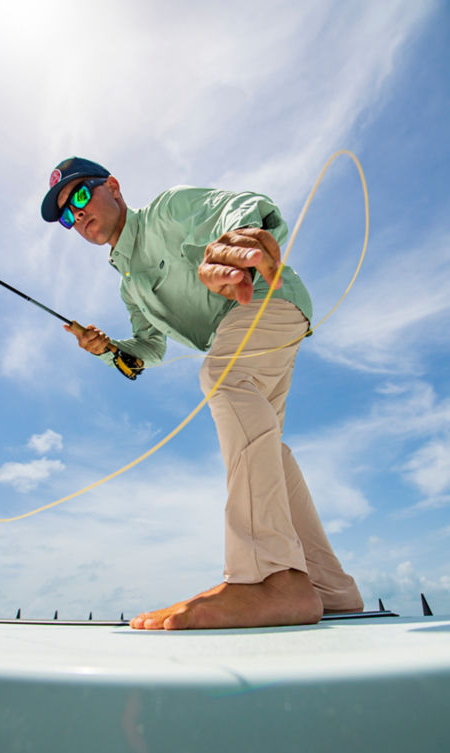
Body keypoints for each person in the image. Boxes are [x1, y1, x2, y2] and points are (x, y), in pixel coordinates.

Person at [41, 156, 363, 630]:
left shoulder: (167, 211)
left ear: (112, 186)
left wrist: (235, 245)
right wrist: (108, 349)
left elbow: (245, 206)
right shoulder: (130, 288)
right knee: (267, 444)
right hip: (241, 332)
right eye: (67, 215)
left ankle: (270, 580)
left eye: (82, 196)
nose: (78, 215)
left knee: (224, 376)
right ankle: (330, 588)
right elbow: (148, 351)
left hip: (271, 301)